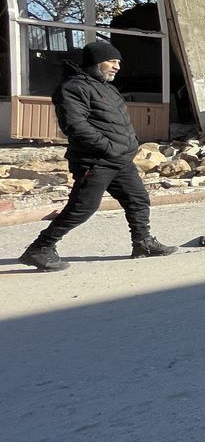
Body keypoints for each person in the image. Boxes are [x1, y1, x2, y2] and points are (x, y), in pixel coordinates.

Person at [19, 40, 176, 272]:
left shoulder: (107, 88)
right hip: (95, 160)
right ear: (95, 62)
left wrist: (129, 146)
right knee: (82, 208)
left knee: (138, 199)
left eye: (118, 62)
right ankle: (40, 248)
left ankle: (143, 243)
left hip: (120, 159)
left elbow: (117, 123)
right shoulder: (72, 87)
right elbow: (75, 125)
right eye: (112, 61)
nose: (117, 67)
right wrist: (108, 147)